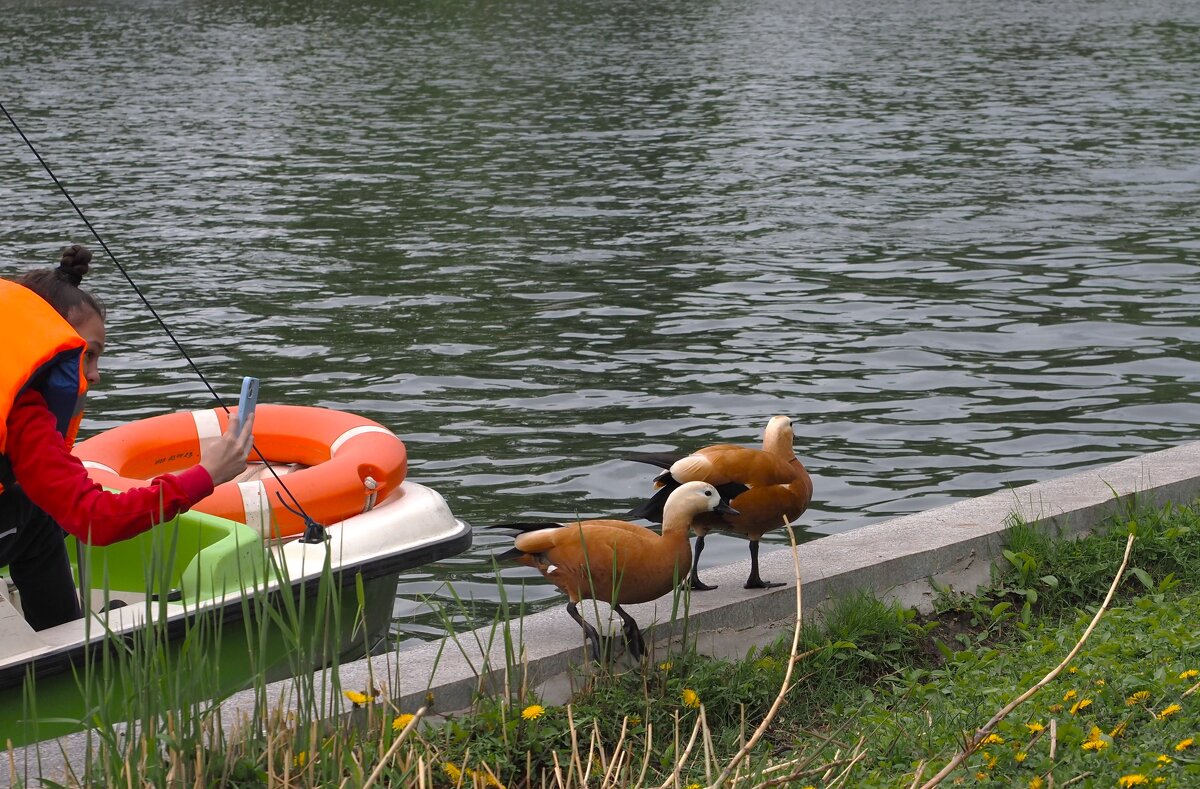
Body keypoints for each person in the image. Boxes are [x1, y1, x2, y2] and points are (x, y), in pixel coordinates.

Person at [0, 244, 255, 630]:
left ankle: (59, 630)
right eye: (86, 354)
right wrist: (207, 474)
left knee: (37, 510)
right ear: (48, 343)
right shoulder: (23, 412)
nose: (95, 374)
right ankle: (68, 646)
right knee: (44, 517)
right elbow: (94, 519)